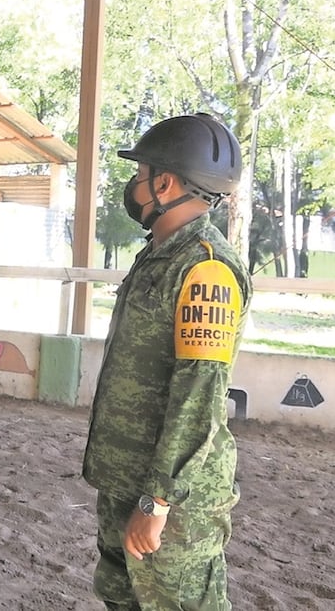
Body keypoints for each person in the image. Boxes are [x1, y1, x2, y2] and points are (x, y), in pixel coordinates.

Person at [82, 113, 253, 610]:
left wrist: (156, 502)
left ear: (164, 183)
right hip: (125, 482)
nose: (133, 187)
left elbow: (198, 398)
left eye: (139, 174)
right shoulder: (159, 255)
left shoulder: (206, 269)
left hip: (173, 506)